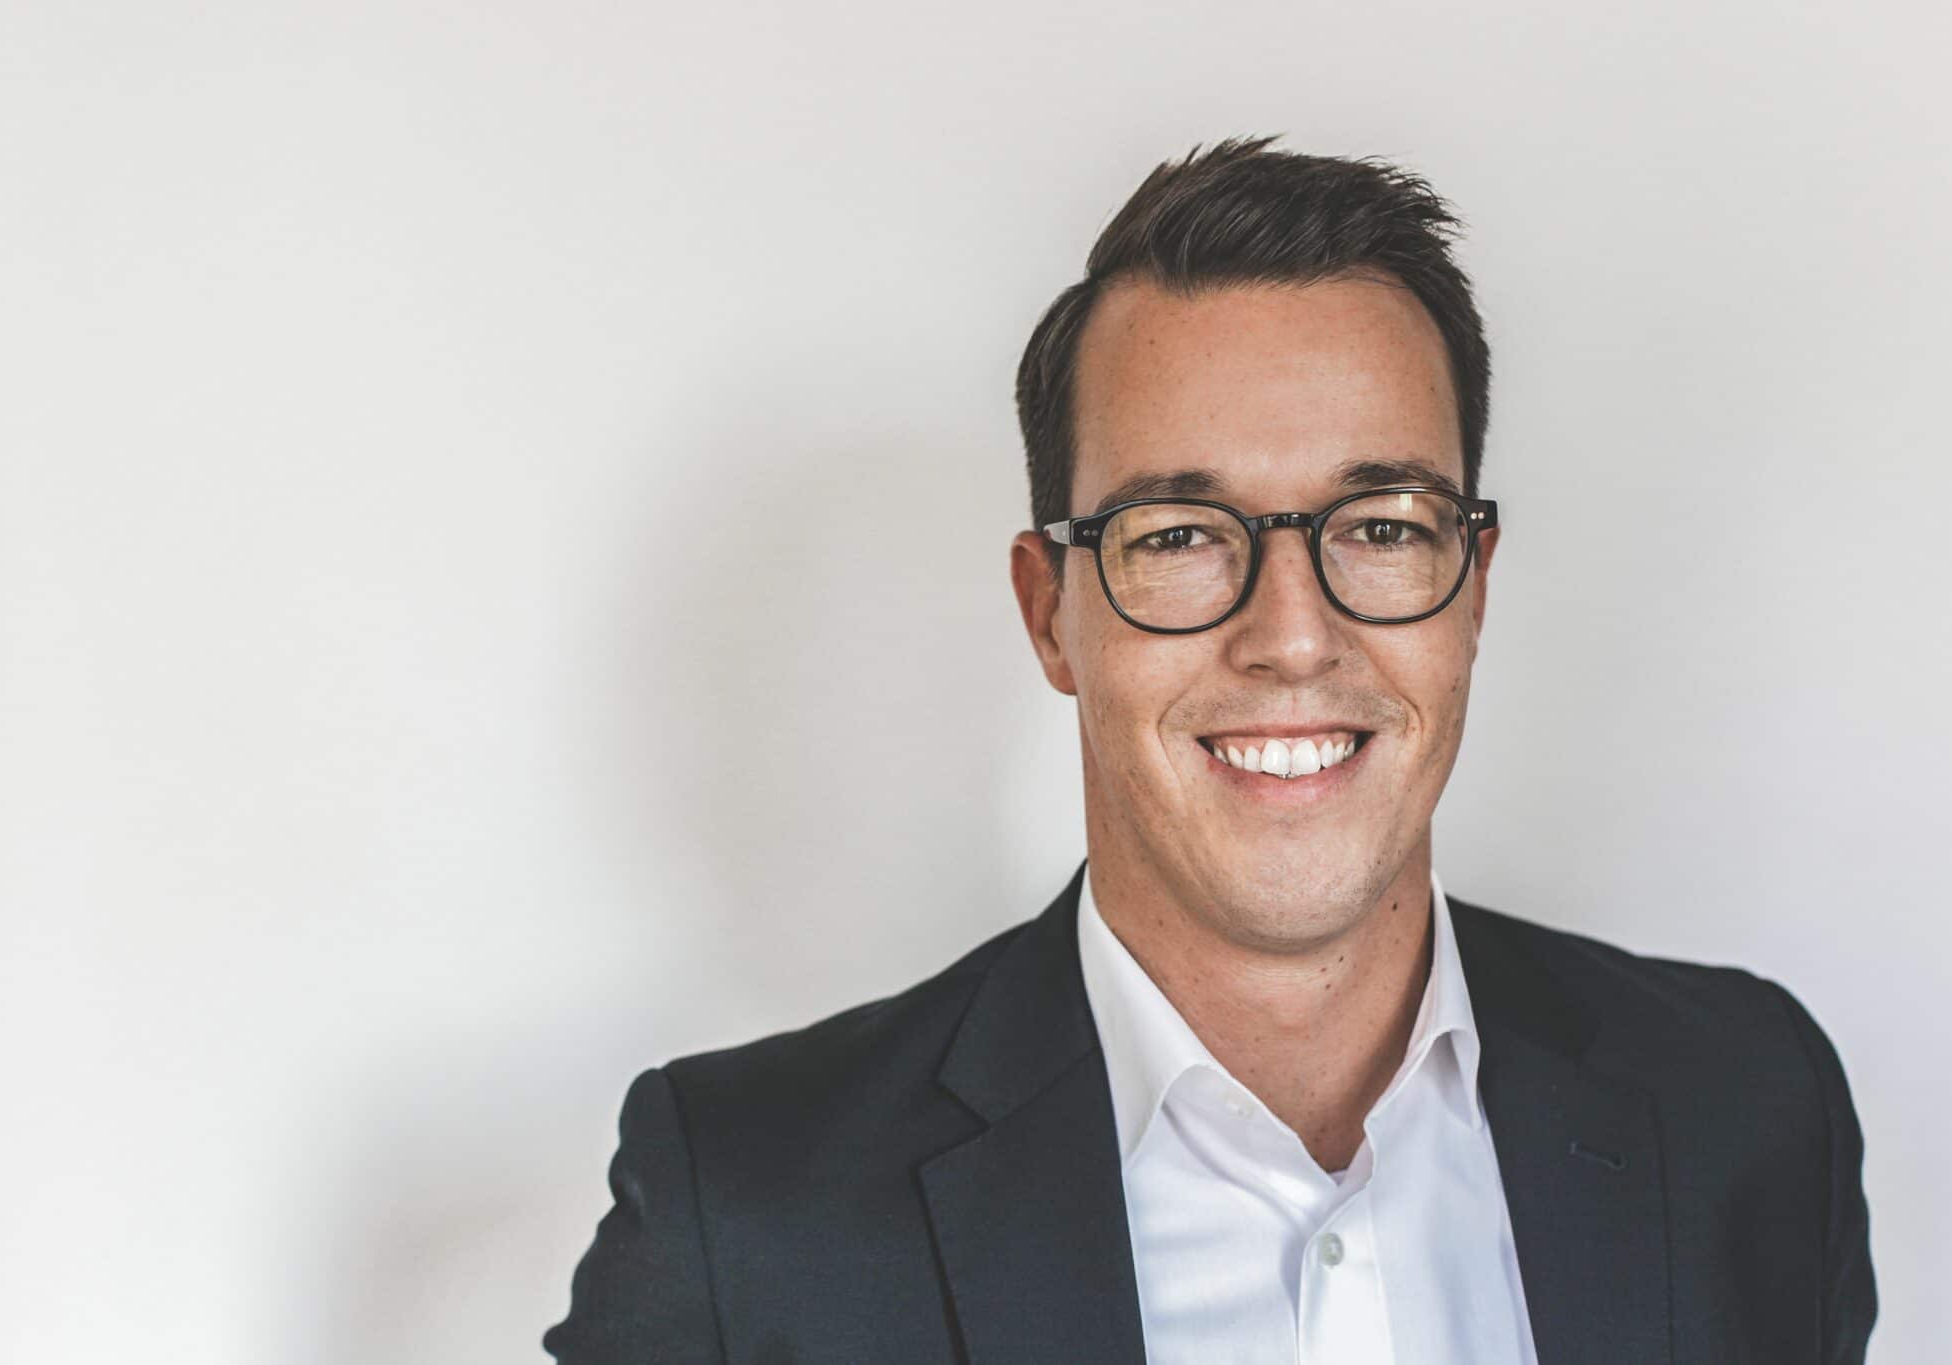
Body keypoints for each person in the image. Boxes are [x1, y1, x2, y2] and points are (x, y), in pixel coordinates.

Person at [542, 136, 1878, 1364]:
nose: (1292, 637)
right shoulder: (743, 1219)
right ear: (1049, 614)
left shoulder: (1751, 1113)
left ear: (1472, 588)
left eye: (1381, 525)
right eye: (1179, 537)